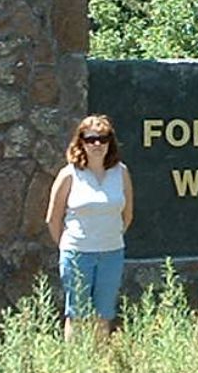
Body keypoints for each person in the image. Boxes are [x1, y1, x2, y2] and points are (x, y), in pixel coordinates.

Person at [45, 114, 133, 340]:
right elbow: (53, 219)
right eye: (91, 139)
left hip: (111, 253)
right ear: (81, 141)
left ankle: (99, 366)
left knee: (104, 314)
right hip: (78, 254)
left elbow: (127, 214)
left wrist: (108, 237)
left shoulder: (121, 172)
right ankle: (76, 365)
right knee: (77, 314)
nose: (97, 144)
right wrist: (70, 246)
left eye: (103, 139)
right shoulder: (69, 174)